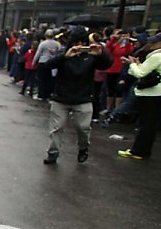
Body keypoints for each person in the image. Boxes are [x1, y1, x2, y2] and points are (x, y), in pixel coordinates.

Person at [41, 27, 112, 165]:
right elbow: (47, 65)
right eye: (75, 42)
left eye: (82, 42)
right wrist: (65, 56)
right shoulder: (64, 52)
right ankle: (53, 152)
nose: (79, 45)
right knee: (57, 127)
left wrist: (100, 54)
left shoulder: (91, 55)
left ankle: (83, 148)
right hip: (61, 96)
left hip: (83, 97)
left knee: (83, 128)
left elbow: (106, 65)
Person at [118, 32, 161, 160]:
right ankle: (145, 150)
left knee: (146, 123)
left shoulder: (157, 56)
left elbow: (140, 73)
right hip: (160, 90)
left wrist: (133, 64)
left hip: (149, 92)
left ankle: (138, 151)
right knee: (151, 123)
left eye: (155, 42)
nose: (152, 44)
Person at [34, 29, 62, 100]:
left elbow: (38, 53)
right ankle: (47, 95)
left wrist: (34, 61)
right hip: (52, 62)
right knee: (49, 80)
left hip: (43, 62)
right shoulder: (56, 44)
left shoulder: (43, 43)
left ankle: (41, 95)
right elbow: (59, 52)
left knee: (41, 79)